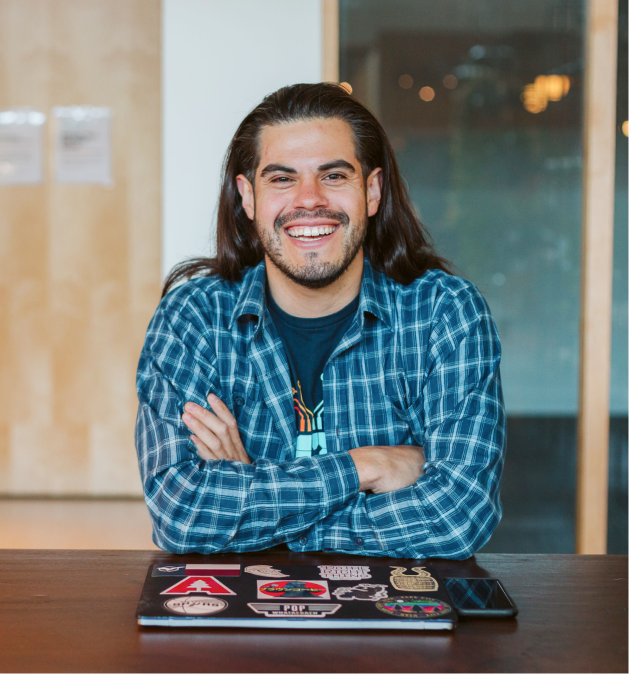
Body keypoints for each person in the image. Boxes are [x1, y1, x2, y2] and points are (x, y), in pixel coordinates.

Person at [135, 83, 505, 558]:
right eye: (282, 179)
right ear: (248, 197)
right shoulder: (194, 319)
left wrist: (254, 501)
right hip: (239, 629)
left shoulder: (445, 315)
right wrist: (363, 468)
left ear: (371, 191)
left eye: (333, 176)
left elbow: (457, 515)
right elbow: (182, 514)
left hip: (399, 624)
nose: (308, 200)